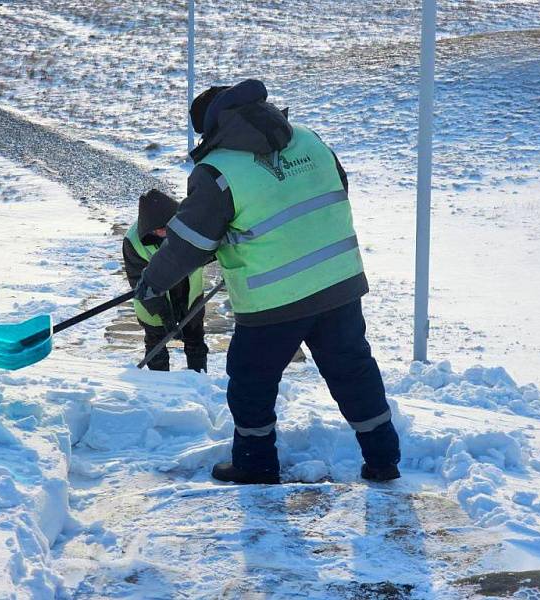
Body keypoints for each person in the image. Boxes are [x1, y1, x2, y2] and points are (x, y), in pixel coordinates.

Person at [133, 79, 400, 483]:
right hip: (338, 281)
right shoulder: (310, 140)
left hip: (275, 300)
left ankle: (255, 464)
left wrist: (152, 282)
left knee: (252, 381)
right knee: (353, 370)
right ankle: (384, 460)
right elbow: (331, 189)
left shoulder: (218, 172)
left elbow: (189, 242)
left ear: (213, 127)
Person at [123, 189, 209, 373]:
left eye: (167, 226)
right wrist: (166, 317)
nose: (164, 232)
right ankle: (160, 387)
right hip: (152, 305)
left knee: (196, 342)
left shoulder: (191, 228)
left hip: (190, 295)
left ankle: (200, 381)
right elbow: (139, 283)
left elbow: (212, 248)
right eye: (158, 229)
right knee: (156, 348)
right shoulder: (133, 242)